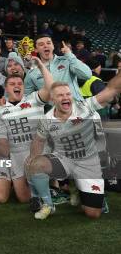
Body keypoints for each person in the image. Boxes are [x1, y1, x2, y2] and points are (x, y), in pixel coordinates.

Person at [27, 71, 121, 220]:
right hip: (64, 160)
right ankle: (48, 205)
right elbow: (38, 141)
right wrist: (32, 160)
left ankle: (79, 188)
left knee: (93, 214)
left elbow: (111, 90)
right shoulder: (46, 119)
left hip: (88, 163)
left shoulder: (85, 107)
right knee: (37, 164)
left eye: (68, 94)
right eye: (60, 95)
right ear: (52, 99)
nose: (65, 97)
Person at [0, 57, 53, 206]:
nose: (17, 85)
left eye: (20, 83)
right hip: (16, 155)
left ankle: (53, 187)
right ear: (6, 89)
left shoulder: (34, 99)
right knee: (24, 198)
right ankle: (35, 187)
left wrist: (40, 66)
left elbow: (51, 87)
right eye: (12, 84)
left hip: (38, 151)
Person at [24, 36, 91, 100]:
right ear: (36, 49)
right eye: (41, 44)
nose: (45, 46)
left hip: (77, 107)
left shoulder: (67, 60)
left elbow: (87, 75)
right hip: (53, 110)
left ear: (53, 46)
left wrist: (70, 55)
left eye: (48, 43)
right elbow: (26, 96)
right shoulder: (32, 72)